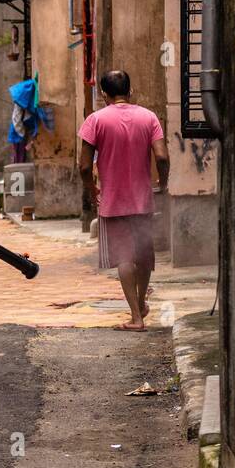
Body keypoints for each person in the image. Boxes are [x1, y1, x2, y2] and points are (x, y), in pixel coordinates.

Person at [79, 69, 169, 331]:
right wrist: (162, 183)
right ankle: (141, 304)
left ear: (104, 95)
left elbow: (84, 166)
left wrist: (91, 189)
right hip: (143, 200)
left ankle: (136, 318)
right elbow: (162, 157)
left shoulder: (95, 120)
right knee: (143, 255)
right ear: (130, 91)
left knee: (125, 259)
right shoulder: (149, 117)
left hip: (113, 202)